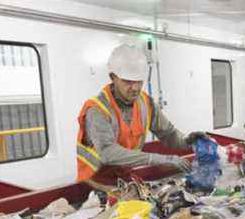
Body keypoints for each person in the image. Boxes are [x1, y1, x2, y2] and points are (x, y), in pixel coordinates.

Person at [76, 44, 206, 182]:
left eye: (139, 81)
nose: (135, 88)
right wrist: (158, 159)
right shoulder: (97, 109)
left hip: (123, 177)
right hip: (95, 183)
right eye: (128, 81)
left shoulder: (146, 103)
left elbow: (168, 134)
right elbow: (108, 152)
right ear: (113, 77)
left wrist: (187, 141)